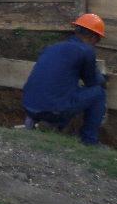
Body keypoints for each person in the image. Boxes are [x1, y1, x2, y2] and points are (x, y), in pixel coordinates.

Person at [22, 14, 107, 145]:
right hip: (53, 110)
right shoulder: (86, 51)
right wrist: (103, 79)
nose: (96, 44)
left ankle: (40, 123)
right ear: (92, 37)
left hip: (28, 106)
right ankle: (89, 140)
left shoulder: (52, 47)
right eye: (98, 40)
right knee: (99, 94)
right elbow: (93, 82)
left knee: (64, 92)